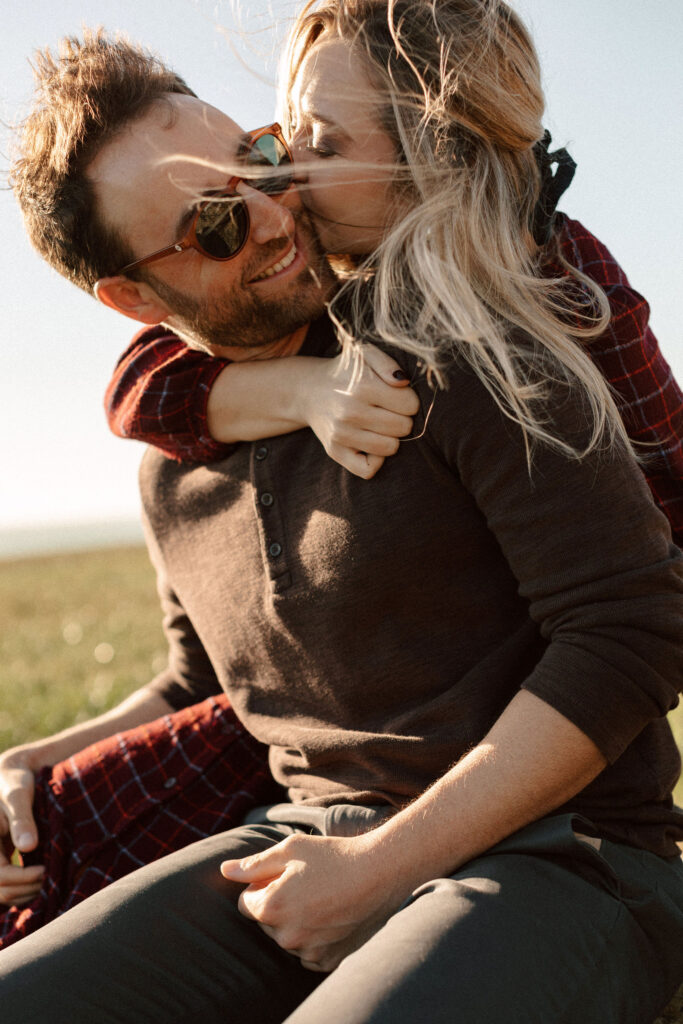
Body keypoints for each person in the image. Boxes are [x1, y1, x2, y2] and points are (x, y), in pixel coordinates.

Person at [1, 5, 682, 1023]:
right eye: (214, 226)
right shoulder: (176, 462)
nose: (275, 211)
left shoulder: (480, 336)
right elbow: (209, 679)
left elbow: (630, 626)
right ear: (135, 302)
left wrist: (374, 867)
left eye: (266, 160)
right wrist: (45, 759)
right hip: (299, 836)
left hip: (560, 853)